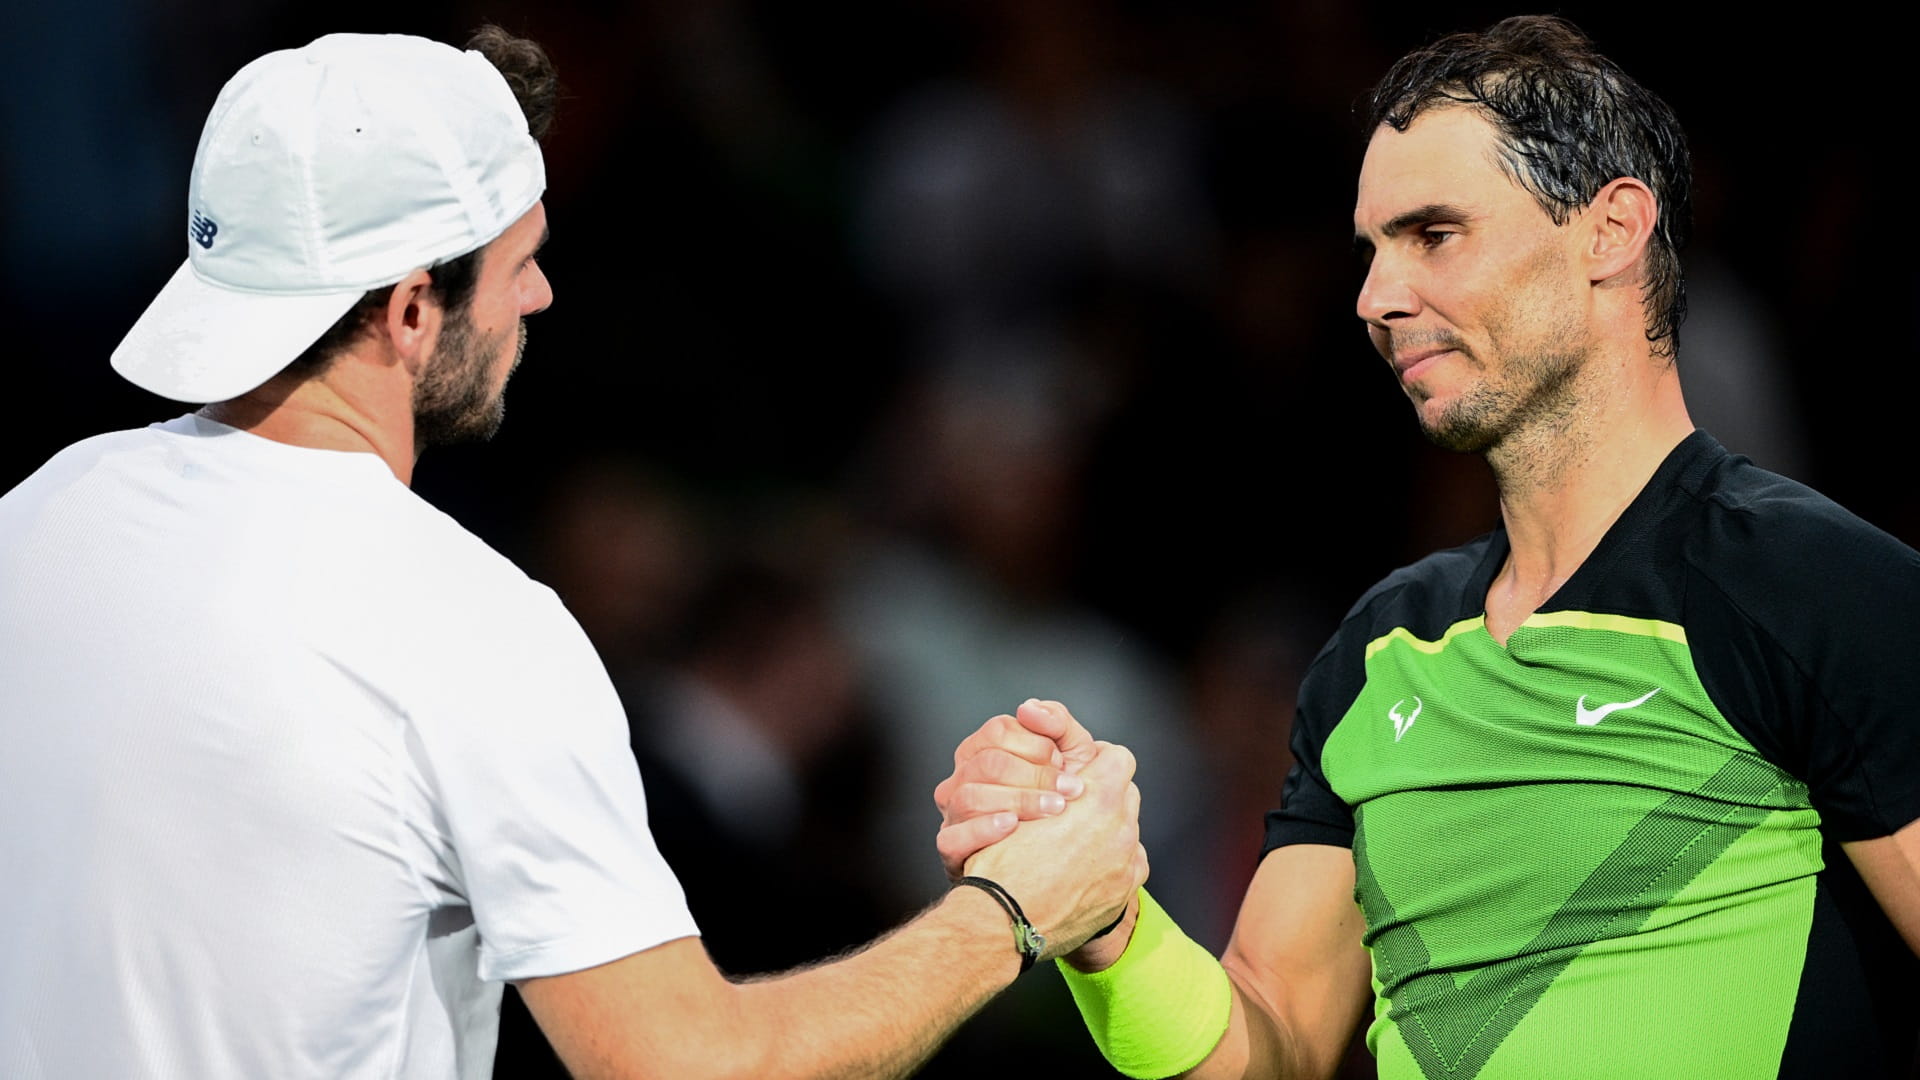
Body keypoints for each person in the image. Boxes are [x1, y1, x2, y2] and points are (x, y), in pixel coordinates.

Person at [0, 28, 1145, 1079]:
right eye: (518, 265)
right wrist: (1014, 908)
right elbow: (691, 1070)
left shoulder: (34, 523)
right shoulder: (468, 627)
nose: (541, 295)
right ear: (408, 310)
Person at [936, 15, 1920, 1080]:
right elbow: (1268, 1039)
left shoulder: (1820, 588)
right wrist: (1107, 925)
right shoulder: (1376, 650)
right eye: (1371, 249)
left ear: (1610, 230)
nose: (1375, 297)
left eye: (1433, 236)